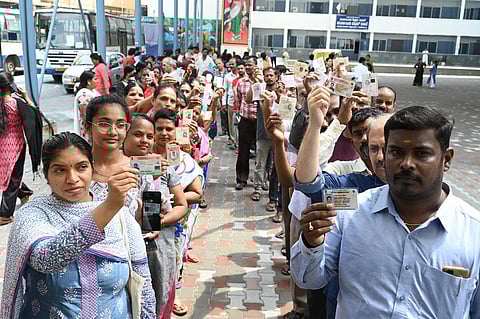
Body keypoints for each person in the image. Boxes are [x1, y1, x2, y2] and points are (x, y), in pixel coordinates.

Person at [290, 106, 480, 318]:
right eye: (396, 152)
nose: (407, 164)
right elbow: (308, 278)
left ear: (447, 159)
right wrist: (311, 242)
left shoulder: (473, 232)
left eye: (422, 154)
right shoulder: (350, 213)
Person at [0, 132, 156, 318]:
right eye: (60, 170)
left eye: (81, 167)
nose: (72, 178)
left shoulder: (120, 216)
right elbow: (46, 258)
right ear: (46, 175)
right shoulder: (33, 213)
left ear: (93, 168)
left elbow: (144, 286)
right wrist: (109, 207)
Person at [123, 115, 189, 318]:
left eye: (149, 136)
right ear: (125, 135)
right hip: (126, 245)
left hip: (160, 244)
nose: (144, 140)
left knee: (160, 293)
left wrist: (159, 222)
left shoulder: (162, 167)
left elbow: (181, 205)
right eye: (137, 134)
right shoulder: (117, 169)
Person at [153, 108, 204, 316]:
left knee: (172, 266)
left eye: (169, 129)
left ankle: (170, 299)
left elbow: (197, 194)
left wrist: (174, 198)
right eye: (159, 129)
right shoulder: (140, 157)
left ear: (176, 131)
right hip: (144, 224)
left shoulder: (184, 161)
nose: (164, 133)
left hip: (173, 225)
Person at [0, 73, 43, 226]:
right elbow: (35, 113)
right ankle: (7, 212)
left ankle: (6, 212)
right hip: (17, 144)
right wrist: (26, 96)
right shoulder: (17, 103)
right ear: (10, 85)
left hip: (2, 146)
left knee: (9, 175)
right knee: (13, 176)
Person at [234, 56, 259, 190]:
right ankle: (241, 179)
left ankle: (260, 180)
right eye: (247, 65)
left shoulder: (261, 82)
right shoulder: (240, 82)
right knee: (243, 151)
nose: (248, 67)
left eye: (251, 65)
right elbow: (238, 100)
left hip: (260, 121)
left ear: (256, 66)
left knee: (261, 152)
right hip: (245, 120)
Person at [74, 70, 99, 139]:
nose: (97, 81)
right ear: (89, 81)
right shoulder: (84, 94)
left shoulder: (92, 92)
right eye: (95, 79)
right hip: (88, 129)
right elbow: (84, 114)